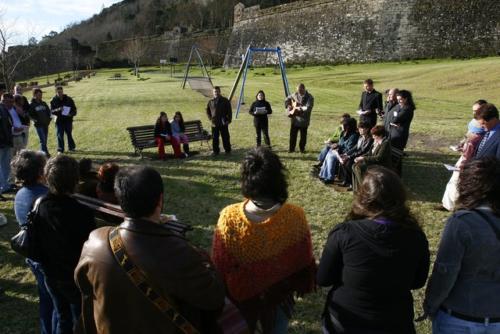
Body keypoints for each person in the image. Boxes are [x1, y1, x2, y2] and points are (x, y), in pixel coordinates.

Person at [75, 166, 225, 333]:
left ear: (119, 196)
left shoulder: (95, 241)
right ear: (160, 200)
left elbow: (84, 288)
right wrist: (206, 262)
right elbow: (214, 299)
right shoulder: (178, 251)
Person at [212, 147, 316, 333]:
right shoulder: (296, 216)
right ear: (279, 179)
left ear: (247, 179)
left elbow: (220, 269)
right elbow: (304, 264)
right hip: (280, 299)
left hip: (242, 302)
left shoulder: (228, 217)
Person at [317, 166, 430, 334]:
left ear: (363, 197)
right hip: (394, 323)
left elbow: (323, 278)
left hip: (346, 323)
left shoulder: (345, 233)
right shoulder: (416, 236)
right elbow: (417, 281)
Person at [423, 158, 500, 333]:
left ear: (469, 185)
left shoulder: (462, 223)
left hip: (460, 317)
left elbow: (445, 272)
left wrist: (430, 304)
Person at [34, 154, 96, 334]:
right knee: (79, 317)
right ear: (76, 180)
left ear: (46, 178)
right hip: (73, 276)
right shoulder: (82, 212)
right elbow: (88, 248)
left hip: (50, 271)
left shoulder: (39, 204)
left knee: (61, 313)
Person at [11, 150, 57, 334]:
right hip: (47, 259)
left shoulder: (21, 193)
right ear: (41, 172)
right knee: (57, 303)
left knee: (45, 298)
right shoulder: (46, 197)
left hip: (33, 255)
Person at [440, 100, 486, 211]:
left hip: (472, 158)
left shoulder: (485, 123)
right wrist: (462, 144)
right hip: (466, 154)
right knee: (454, 180)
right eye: (473, 110)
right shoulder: (475, 120)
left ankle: (455, 205)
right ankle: (448, 204)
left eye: (477, 110)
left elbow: (477, 140)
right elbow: (468, 134)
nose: (474, 113)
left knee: (459, 181)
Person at [319, 117, 359, 184]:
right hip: (339, 151)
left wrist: (338, 149)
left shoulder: (354, 136)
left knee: (331, 156)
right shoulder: (343, 133)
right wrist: (336, 145)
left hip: (346, 154)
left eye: (343, 125)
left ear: (348, 126)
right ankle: (324, 175)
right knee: (329, 153)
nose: (341, 126)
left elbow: (349, 148)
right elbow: (341, 143)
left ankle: (330, 178)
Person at [352, 125, 392, 192]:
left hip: (381, 164)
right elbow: (369, 153)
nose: (373, 137)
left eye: (374, 135)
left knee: (358, 168)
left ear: (380, 135)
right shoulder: (376, 141)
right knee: (354, 166)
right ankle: (356, 189)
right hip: (373, 162)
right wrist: (360, 157)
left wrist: (363, 158)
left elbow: (378, 158)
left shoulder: (385, 143)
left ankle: (365, 189)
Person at [338, 121, 374, 190]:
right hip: (357, 155)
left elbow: (363, 151)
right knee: (342, 161)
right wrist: (346, 153)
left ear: (367, 129)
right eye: (359, 128)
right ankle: (346, 181)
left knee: (348, 164)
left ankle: (352, 183)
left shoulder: (370, 139)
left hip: (363, 157)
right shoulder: (361, 137)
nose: (359, 130)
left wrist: (349, 156)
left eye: (361, 128)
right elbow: (355, 147)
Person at [286, 83, 314, 153]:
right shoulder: (295, 94)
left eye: (300, 91)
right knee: (292, 135)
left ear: (304, 89)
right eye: (298, 91)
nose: (299, 92)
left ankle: (302, 149)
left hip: (304, 120)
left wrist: (299, 110)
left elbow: (308, 107)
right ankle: (291, 149)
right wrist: (288, 105)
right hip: (294, 120)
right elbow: (288, 98)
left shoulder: (310, 97)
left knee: (303, 137)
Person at [50, 86, 77, 153]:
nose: (60, 93)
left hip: (68, 120)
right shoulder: (53, 100)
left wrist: (70, 114)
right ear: (55, 92)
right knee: (60, 135)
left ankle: (71, 147)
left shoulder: (69, 99)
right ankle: (60, 149)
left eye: (61, 92)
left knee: (69, 134)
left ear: (63, 91)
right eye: (58, 92)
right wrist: (58, 109)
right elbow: (51, 111)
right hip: (59, 121)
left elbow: (74, 110)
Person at [206, 86, 232, 156]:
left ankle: (227, 150)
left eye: (217, 91)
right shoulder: (210, 101)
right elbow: (207, 110)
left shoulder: (225, 100)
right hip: (214, 123)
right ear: (213, 92)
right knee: (215, 138)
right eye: (215, 92)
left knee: (225, 137)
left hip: (223, 122)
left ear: (220, 92)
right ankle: (216, 151)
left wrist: (229, 120)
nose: (216, 93)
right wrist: (210, 118)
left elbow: (229, 111)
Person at [29, 88, 52, 156]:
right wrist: (35, 120)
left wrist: (49, 120)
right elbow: (30, 114)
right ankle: (45, 154)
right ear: (34, 95)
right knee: (43, 140)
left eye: (41, 94)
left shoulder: (44, 103)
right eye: (39, 95)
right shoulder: (32, 105)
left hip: (45, 124)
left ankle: (42, 154)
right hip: (39, 125)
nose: (40, 96)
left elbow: (49, 112)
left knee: (44, 140)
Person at [0, 93, 14, 199]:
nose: (11, 104)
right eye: (9, 101)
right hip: (1, 142)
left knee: (5, 165)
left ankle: (5, 186)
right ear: (3, 100)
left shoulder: (5, 110)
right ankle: (2, 186)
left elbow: (8, 125)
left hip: (6, 141)